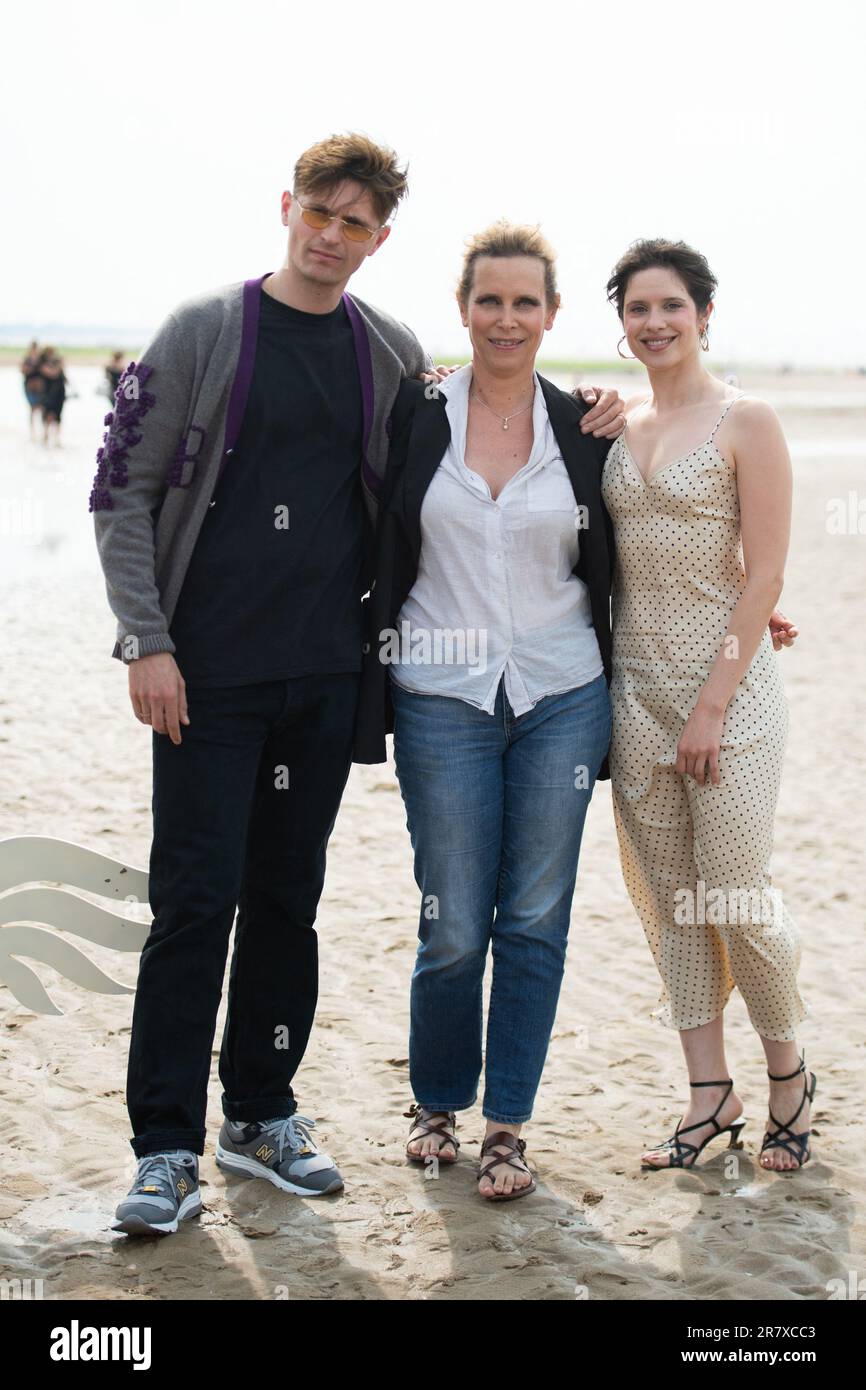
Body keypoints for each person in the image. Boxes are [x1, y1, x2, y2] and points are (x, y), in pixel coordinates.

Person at [92, 138, 623, 1236]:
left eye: (356, 224)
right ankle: (162, 1148)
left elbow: (434, 481)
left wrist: (609, 419)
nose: (331, 237)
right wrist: (145, 638)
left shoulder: (386, 351)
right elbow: (119, 487)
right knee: (193, 904)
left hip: (327, 680)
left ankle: (263, 1113)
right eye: (318, 214)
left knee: (288, 904)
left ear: (380, 239)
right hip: (204, 676)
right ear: (286, 208)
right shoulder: (203, 330)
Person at [354, 221, 628, 1200]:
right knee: (455, 918)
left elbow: (667, 527)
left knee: (534, 919)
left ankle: (506, 1123)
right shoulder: (415, 416)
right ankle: (436, 1099)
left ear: (551, 315)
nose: (505, 318)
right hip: (442, 697)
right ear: (463, 309)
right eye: (488, 300)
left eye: (524, 302)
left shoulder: (585, 428)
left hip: (562, 696)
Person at [600, 239, 815, 1173]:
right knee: (669, 900)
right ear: (621, 325)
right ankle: (706, 1097)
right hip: (632, 691)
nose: (654, 324)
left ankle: (790, 1077)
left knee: (733, 889)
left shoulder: (746, 419)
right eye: (637, 310)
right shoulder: (614, 423)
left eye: (671, 308)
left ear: (703, 315)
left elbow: (765, 570)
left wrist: (713, 705)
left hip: (725, 697)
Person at [39, 347, 67, 447]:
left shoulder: (56, 363)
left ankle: (57, 438)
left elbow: (63, 378)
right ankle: (45, 436)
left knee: (58, 416)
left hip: (59, 393)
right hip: (48, 393)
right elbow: (53, 374)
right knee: (48, 415)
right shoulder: (42, 364)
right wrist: (59, 366)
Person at [21, 341, 45, 439]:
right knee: (32, 409)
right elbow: (23, 370)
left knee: (42, 408)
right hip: (29, 387)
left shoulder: (41, 359)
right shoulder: (27, 359)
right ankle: (32, 432)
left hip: (40, 388)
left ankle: (43, 431)